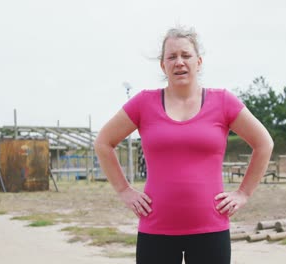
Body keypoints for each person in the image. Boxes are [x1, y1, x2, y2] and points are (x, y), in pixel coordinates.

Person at [94, 26, 273, 264]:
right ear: (162, 65)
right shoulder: (143, 103)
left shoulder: (223, 101)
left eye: (186, 55)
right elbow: (103, 143)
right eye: (172, 57)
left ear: (198, 62)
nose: (179, 62)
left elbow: (264, 143)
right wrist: (124, 190)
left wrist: (243, 193)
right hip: (155, 229)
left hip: (211, 229)